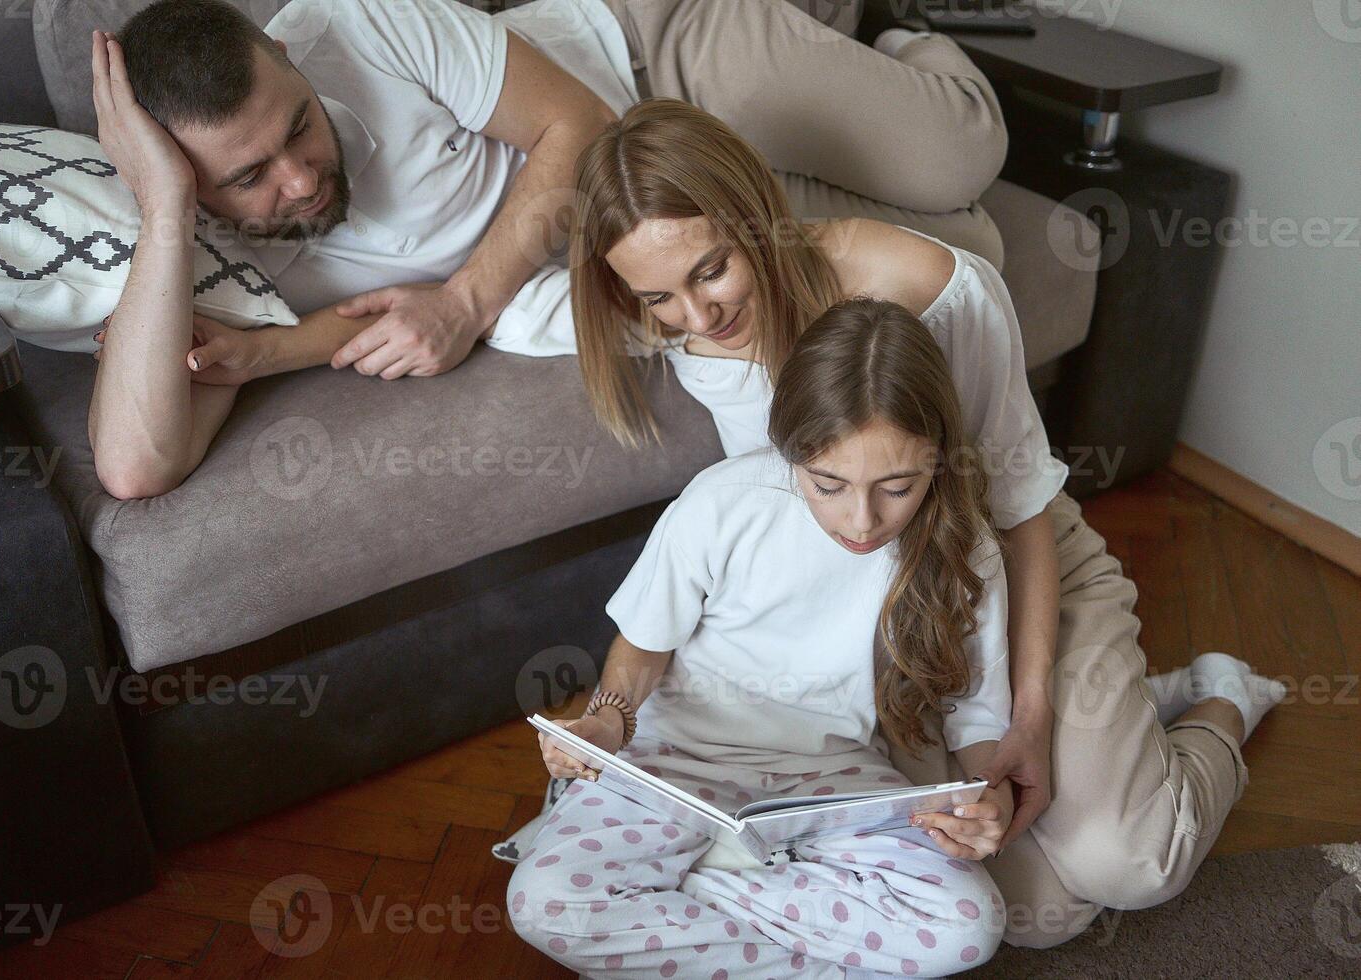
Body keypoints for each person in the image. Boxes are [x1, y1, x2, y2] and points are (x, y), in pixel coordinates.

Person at [506, 97, 1287, 948]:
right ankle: (1131, 719)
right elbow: (520, 311)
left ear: (753, 216)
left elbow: (1019, 513)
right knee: (1037, 915)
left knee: (1126, 866)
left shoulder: (928, 287)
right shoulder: (663, 320)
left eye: (711, 271)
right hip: (876, 620)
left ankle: (1218, 703)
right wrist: (426, 305)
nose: (698, 319)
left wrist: (1028, 720)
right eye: (660, 297)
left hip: (1006, 561)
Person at [86, 0, 1008, 498]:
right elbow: (138, 466)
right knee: (960, 248)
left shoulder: (360, 26)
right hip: (646, 225)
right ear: (180, 180)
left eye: (300, 124)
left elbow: (583, 121)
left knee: (960, 158)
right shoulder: (180, 237)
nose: (298, 178)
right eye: (249, 178)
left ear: (287, 58)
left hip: (653, 63)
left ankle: (904, 30)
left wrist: (464, 302)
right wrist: (166, 207)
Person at [510, 298, 1012, 977]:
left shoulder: (965, 548)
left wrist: (991, 797)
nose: (860, 520)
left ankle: (687, 889)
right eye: (828, 483)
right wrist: (606, 722)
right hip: (678, 765)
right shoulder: (725, 502)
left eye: (898, 486)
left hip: (835, 785)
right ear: (791, 449)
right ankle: (795, 918)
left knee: (969, 928)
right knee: (543, 903)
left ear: (937, 462)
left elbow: (978, 712)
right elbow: (643, 646)